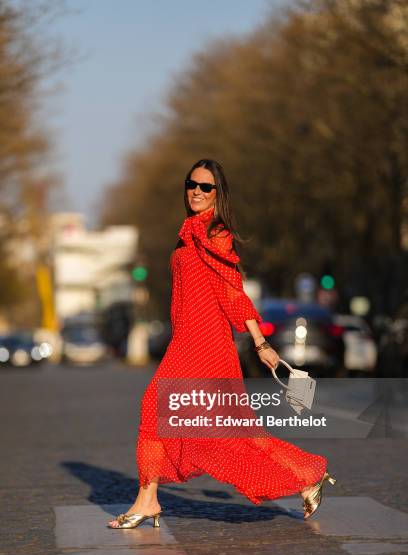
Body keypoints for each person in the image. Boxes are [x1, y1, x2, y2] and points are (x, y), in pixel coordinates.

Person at [108, 159, 336, 529]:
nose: (196, 191)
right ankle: (306, 474)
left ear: (218, 194)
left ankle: (147, 500)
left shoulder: (214, 233)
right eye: (191, 184)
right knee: (226, 431)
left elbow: (233, 292)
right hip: (185, 342)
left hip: (206, 347)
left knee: (158, 407)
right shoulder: (188, 233)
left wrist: (261, 343)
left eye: (205, 187)